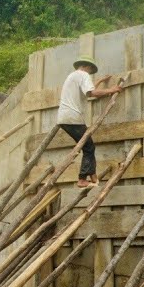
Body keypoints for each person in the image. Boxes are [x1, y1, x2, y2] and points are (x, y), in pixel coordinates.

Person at [58, 55, 123, 188]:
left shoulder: (73, 76)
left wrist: (99, 81)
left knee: (87, 146)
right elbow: (91, 93)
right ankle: (82, 179)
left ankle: (92, 175)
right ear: (87, 67)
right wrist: (111, 89)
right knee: (89, 147)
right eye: (90, 70)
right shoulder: (83, 74)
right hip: (73, 118)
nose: (90, 73)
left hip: (64, 117)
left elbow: (87, 91)